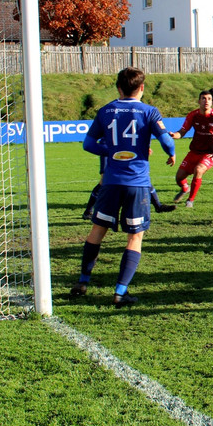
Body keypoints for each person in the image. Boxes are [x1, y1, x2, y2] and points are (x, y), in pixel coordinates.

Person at [70, 67, 176, 308]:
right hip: (136, 183)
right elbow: (166, 140)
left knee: (97, 231)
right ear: (142, 88)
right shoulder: (149, 111)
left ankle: (83, 281)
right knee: (135, 236)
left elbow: (88, 144)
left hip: (110, 182)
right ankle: (120, 292)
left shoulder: (105, 110)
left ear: (118, 87)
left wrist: (110, 150)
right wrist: (171, 153)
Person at [170, 90, 213, 208]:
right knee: (179, 178)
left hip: (210, 153)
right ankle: (185, 188)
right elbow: (182, 132)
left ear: (212, 102)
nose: (206, 101)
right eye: (203, 98)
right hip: (194, 152)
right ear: (199, 101)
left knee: (199, 169)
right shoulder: (193, 115)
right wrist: (174, 135)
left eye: (209, 99)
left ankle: (190, 200)